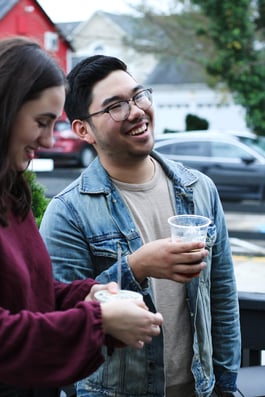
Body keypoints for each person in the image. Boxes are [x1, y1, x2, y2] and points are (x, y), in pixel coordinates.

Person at [40, 55, 241, 397]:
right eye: (116, 106)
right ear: (82, 129)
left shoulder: (199, 189)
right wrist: (135, 268)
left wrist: (226, 384)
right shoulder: (68, 212)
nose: (136, 111)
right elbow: (62, 323)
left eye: (138, 96)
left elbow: (222, 295)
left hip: (199, 388)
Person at [0, 38, 164, 397]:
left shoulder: (11, 193)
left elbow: (31, 294)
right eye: (41, 122)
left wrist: (87, 295)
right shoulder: (67, 207)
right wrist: (98, 319)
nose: (46, 141)